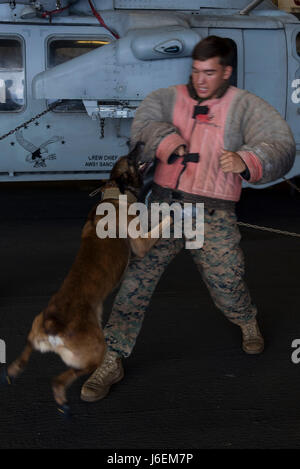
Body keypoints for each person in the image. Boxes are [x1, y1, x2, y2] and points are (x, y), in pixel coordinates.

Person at [81, 36, 295, 402]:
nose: (200, 79)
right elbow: (144, 123)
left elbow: (281, 145)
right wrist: (165, 140)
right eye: (196, 71)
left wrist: (249, 160)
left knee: (228, 284)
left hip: (214, 214)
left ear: (227, 71)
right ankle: (111, 357)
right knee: (134, 283)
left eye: (209, 73)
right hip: (164, 207)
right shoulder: (169, 98)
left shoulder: (247, 107)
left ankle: (246, 320)